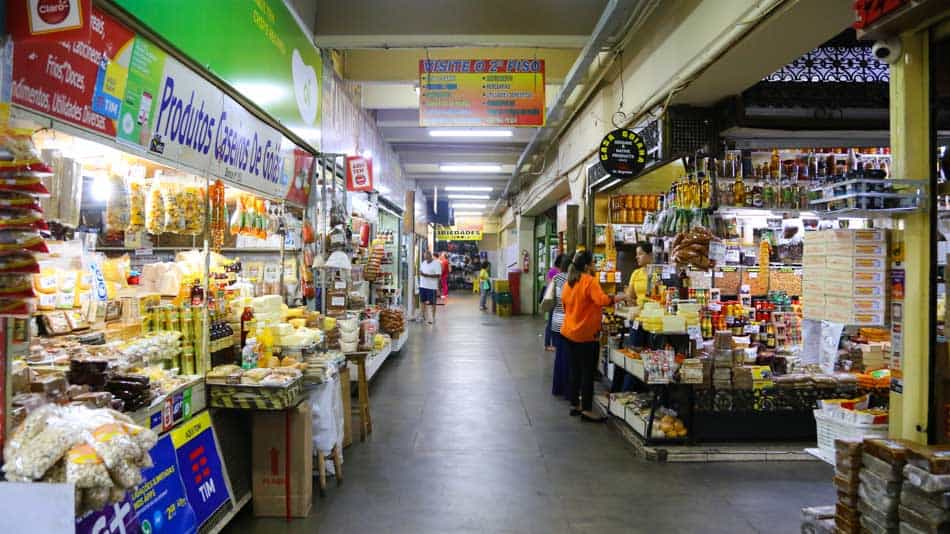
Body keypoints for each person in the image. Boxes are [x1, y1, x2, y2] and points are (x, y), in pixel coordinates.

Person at [561, 250, 626, 422]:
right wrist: (618, 297)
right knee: (587, 372)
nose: (595, 266)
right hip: (586, 335)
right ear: (588, 265)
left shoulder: (569, 282)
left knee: (575, 370)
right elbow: (602, 301)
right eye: (594, 263)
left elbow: (565, 304)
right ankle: (587, 409)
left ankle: (575, 404)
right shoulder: (589, 281)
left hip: (569, 332)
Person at [549, 254, 572, 398]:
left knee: (559, 356)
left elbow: (549, 299)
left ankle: (557, 388)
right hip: (568, 323)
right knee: (568, 358)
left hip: (556, 321)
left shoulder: (556, 279)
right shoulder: (572, 280)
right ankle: (568, 391)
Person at [543, 254, 566, 352]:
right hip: (554, 300)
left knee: (554, 321)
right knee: (551, 322)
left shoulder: (558, 271)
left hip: (558, 300)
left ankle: (553, 344)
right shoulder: (553, 271)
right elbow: (550, 285)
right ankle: (548, 344)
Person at [625, 242, 653, 306]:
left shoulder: (659, 272)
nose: (637, 257)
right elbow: (630, 296)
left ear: (650, 255)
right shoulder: (636, 273)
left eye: (640, 254)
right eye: (636, 254)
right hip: (640, 311)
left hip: (655, 311)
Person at [419, 251, 442, 324]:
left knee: (432, 303)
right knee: (422, 301)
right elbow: (421, 271)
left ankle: (433, 317)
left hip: (432, 287)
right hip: (423, 286)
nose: (426, 259)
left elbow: (438, 275)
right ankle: (423, 316)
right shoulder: (423, 263)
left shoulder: (436, 264)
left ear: (430, 256)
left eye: (427, 257)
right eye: (425, 257)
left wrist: (427, 275)